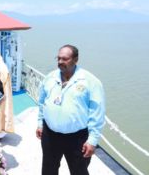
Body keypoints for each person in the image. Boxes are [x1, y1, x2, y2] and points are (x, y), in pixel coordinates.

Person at [36, 45, 106, 175]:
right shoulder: (50, 78)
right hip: (50, 134)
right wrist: (40, 123)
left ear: (76, 59)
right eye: (58, 58)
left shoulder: (90, 81)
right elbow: (42, 102)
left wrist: (92, 140)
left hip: (77, 138)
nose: (60, 62)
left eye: (65, 59)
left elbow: (97, 113)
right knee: (48, 170)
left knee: (79, 171)